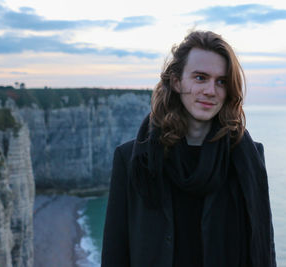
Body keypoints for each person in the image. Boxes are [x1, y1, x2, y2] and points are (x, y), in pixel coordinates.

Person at [101, 30, 276, 267]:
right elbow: (115, 253)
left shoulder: (247, 159)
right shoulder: (132, 159)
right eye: (200, 78)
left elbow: (263, 248)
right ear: (176, 81)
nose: (210, 91)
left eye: (221, 81)